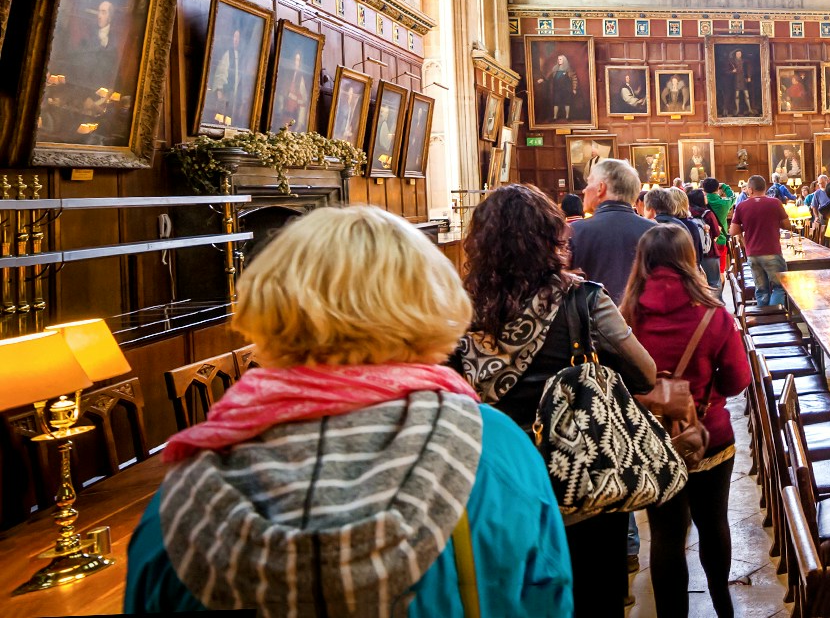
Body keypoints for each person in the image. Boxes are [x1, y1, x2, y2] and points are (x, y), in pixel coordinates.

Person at [124, 205, 573, 616]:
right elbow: (546, 596)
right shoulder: (491, 446)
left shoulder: (184, 498)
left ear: (268, 302)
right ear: (433, 302)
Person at [451, 185, 656, 617]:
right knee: (597, 596)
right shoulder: (583, 298)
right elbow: (645, 371)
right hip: (583, 476)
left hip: (496, 480)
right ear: (549, 238)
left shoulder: (453, 310)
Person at [621, 225, 752, 618]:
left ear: (642, 261)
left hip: (652, 441)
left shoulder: (625, 316)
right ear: (689, 259)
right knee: (713, 524)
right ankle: (722, 605)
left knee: (665, 535)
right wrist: (705, 395)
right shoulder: (713, 315)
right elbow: (738, 379)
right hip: (709, 436)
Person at [571, 158, 656, 303]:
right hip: (643, 314)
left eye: (589, 183)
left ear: (601, 188)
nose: (584, 190)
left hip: (592, 316)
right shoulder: (656, 232)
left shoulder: (574, 232)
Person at [731, 174, 791, 306]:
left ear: (751, 189)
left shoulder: (741, 206)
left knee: (761, 290)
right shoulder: (775, 203)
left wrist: (747, 225)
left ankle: (764, 316)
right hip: (772, 251)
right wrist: (773, 222)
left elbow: (733, 231)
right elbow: (787, 225)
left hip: (752, 254)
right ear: (765, 188)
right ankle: (775, 316)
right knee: (779, 287)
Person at [687, 187, 725, 290]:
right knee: (714, 283)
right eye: (704, 195)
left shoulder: (687, 213)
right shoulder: (707, 213)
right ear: (700, 198)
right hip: (709, 252)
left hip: (692, 253)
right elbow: (716, 232)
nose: (706, 197)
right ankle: (715, 300)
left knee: (697, 285)